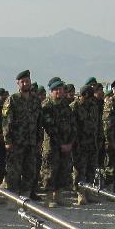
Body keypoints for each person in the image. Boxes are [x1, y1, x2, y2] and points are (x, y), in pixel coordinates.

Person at [2, 70, 41, 203]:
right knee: (14, 171)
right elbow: (6, 122)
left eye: (27, 81)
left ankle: (26, 197)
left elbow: (39, 122)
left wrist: (39, 140)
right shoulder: (12, 100)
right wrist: (7, 140)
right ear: (18, 84)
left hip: (31, 142)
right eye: (22, 82)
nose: (25, 84)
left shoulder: (35, 100)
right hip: (16, 142)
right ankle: (12, 198)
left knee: (30, 170)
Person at [39, 78, 76, 207]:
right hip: (52, 145)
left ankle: (59, 195)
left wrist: (70, 142)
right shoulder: (46, 105)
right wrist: (61, 144)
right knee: (50, 170)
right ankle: (49, 198)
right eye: (56, 90)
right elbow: (50, 127)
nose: (59, 92)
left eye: (61, 89)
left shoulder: (66, 105)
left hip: (66, 144)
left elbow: (73, 125)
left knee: (63, 169)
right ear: (51, 91)